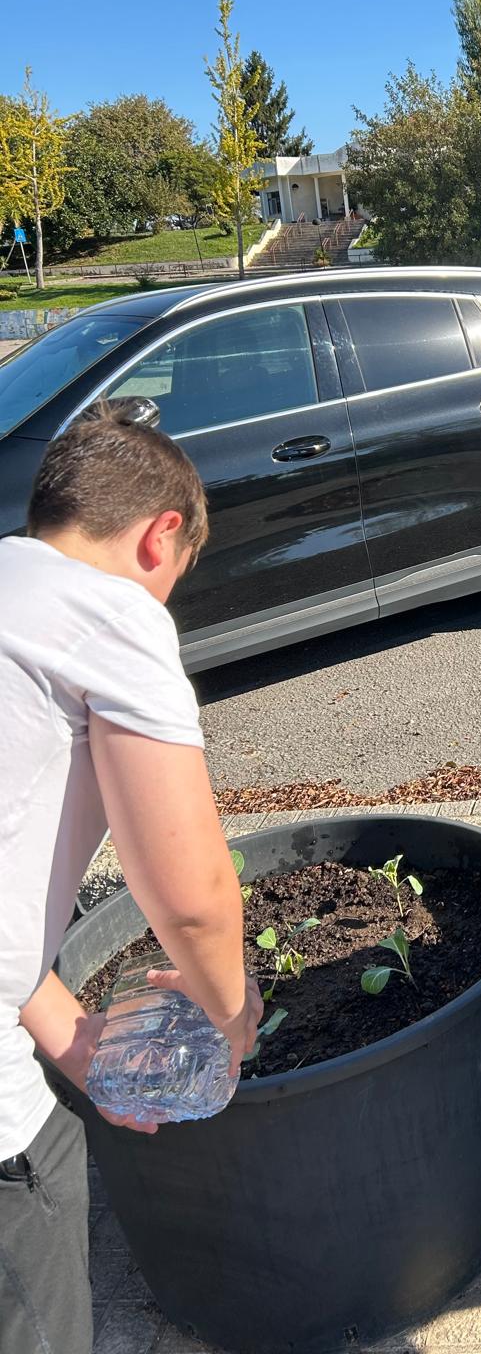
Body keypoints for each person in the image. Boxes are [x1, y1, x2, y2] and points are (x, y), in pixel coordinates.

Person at [0, 402, 262, 1354]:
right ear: (162, 535)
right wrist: (232, 1017)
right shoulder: (104, 611)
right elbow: (188, 892)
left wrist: (72, 1038)